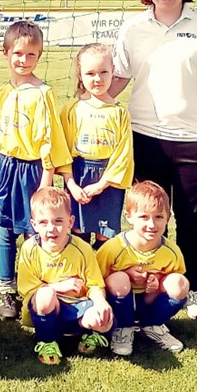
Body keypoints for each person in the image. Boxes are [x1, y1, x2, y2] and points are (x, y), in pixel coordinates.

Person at [111, 0, 197, 319]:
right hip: (145, 138)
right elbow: (119, 78)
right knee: (150, 219)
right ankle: (152, 288)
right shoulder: (133, 28)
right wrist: (86, 105)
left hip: (196, 140)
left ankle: (192, 290)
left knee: (191, 221)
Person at [0, 20, 71, 320]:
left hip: (33, 170)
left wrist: (45, 185)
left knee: (36, 233)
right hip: (5, 169)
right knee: (6, 232)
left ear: (39, 55)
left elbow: (50, 140)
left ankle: (36, 288)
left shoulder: (44, 93)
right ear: (6, 52)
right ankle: (7, 291)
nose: (23, 60)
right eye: (18, 53)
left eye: (31, 54)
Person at [17, 188, 113, 365]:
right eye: (43, 222)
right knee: (45, 295)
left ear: (70, 222)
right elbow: (27, 289)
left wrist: (100, 302)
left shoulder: (82, 249)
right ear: (34, 224)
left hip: (76, 307)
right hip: (45, 308)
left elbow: (95, 284)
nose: (51, 229)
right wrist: (59, 287)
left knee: (104, 320)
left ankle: (88, 334)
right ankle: (47, 342)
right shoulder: (29, 249)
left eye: (58, 221)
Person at [97, 180, 190, 356]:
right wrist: (126, 274)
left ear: (168, 218)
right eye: (144, 217)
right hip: (119, 302)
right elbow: (95, 280)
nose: (152, 225)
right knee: (118, 279)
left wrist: (157, 280)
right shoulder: (113, 247)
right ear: (129, 216)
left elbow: (173, 281)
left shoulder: (171, 251)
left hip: (148, 301)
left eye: (159, 217)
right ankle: (123, 328)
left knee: (180, 283)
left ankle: (153, 324)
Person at [59, 42, 133, 249]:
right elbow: (62, 151)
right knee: (78, 231)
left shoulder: (119, 113)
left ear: (113, 72)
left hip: (108, 181)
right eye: (90, 73)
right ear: (80, 74)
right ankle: (81, 266)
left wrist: (102, 185)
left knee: (105, 235)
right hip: (79, 176)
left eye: (103, 72)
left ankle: (101, 267)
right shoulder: (71, 109)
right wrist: (71, 184)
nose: (98, 78)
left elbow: (123, 155)